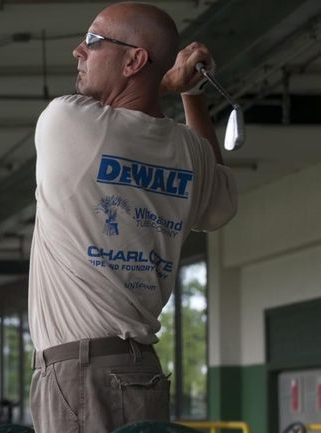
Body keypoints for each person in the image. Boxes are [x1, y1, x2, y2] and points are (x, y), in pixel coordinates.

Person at [28, 2, 238, 433]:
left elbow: (134, 104)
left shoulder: (68, 121)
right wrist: (190, 93)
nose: (77, 51)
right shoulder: (189, 151)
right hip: (139, 368)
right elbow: (219, 204)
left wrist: (166, 82)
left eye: (92, 41)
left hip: (81, 369)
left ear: (134, 60)